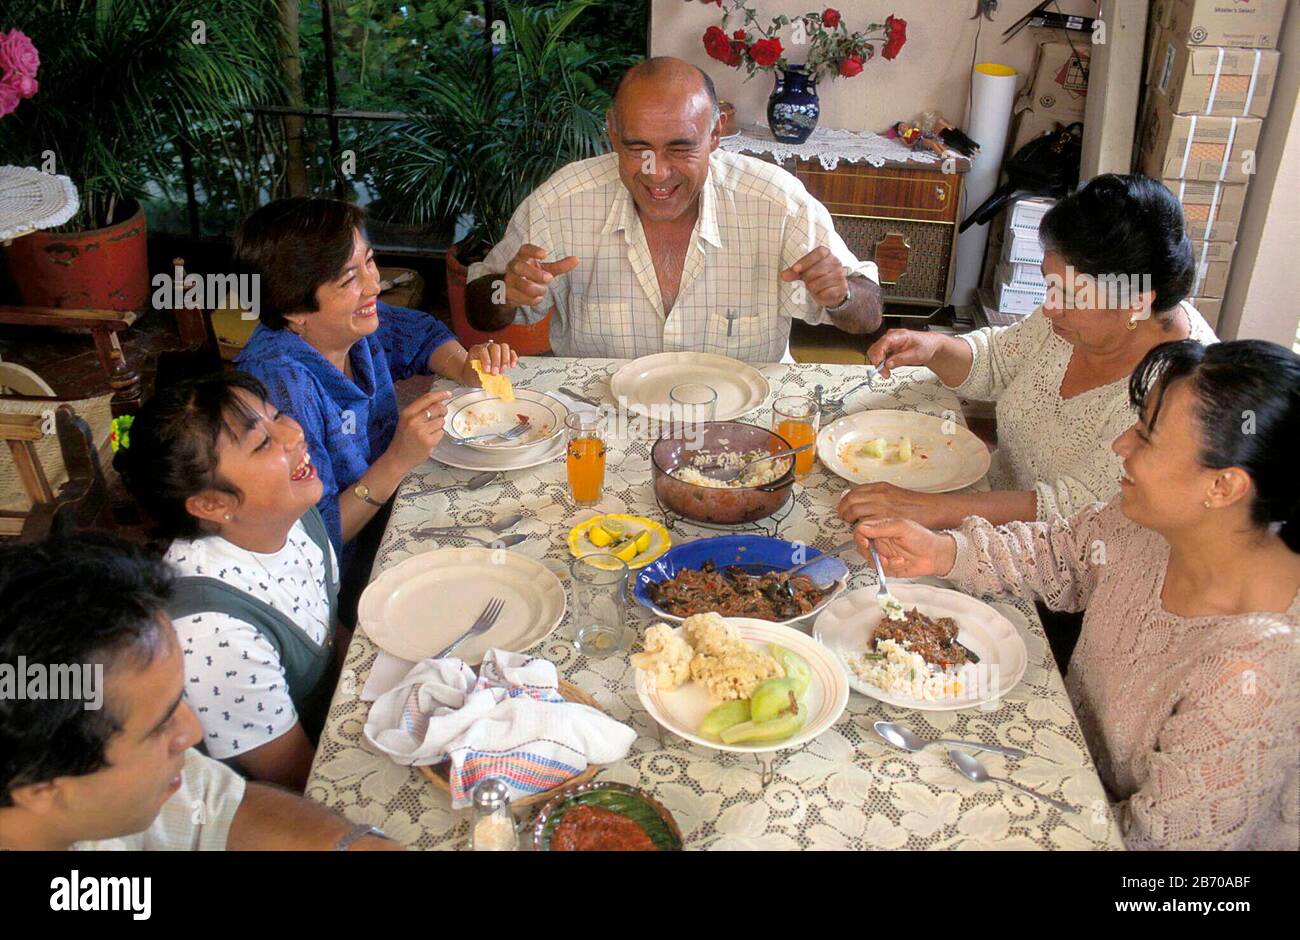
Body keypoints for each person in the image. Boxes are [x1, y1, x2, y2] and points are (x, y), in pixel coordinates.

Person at [853, 339, 1299, 851]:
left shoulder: (1256, 676)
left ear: (1223, 487)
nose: (1121, 447)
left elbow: (1156, 852)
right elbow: (1062, 550)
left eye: (1147, 437)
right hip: (1061, 761)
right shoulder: (1157, 524)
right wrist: (941, 552)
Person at [838, 174, 1217, 531]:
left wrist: (929, 509)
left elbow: (1077, 511)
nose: (1050, 307)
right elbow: (999, 360)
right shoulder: (1072, 318)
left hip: (1057, 566)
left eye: (1070, 295)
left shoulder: (1181, 395)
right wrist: (935, 348)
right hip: (987, 508)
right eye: (1051, 285)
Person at [464, 56, 882, 362]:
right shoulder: (561, 201)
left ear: (716, 133)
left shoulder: (776, 201)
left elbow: (869, 315)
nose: (657, 173)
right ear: (612, 131)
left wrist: (841, 295)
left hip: (742, 424)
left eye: (680, 148)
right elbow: (479, 309)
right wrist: (506, 291)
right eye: (637, 148)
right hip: (601, 421)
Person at [0, 533, 401, 851]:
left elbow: (215, 807)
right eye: (159, 726)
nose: (192, 733)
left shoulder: (96, 775)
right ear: (42, 789)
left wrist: (352, 846)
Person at [232, 197, 519, 593]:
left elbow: (422, 334)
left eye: (369, 261)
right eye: (349, 280)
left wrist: (467, 367)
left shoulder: (350, 327)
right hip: (345, 572)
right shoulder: (280, 389)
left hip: (394, 509)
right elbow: (319, 536)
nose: (374, 284)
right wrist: (397, 460)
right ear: (293, 308)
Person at [115, 372, 340, 790]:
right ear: (211, 504)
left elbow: (331, 628)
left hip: (339, 719)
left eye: (277, 416)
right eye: (263, 443)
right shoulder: (211, 631)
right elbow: (300, 780)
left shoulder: (289, 512)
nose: (294, 434)